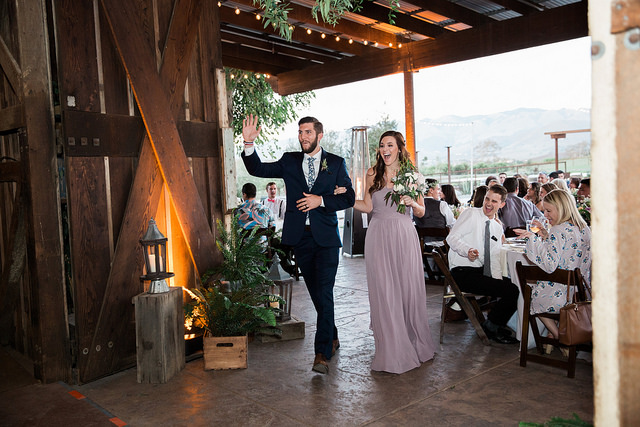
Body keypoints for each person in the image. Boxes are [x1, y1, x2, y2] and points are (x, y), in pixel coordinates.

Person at [241, 114, 355, 374]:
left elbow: (349, 197)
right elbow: (258, 169)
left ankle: (321, 353)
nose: (303, 136)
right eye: (300, 132)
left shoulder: (335, 163)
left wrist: (321, 201)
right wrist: (249, 144)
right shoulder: (289, 161)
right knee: (317, 293)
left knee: (324, 291)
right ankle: (333, 336)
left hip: (326, 239)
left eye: (308, 132)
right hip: (300, 238)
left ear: (319, 135)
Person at [352, 131, 436, 374]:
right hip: (378, 235)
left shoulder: (413, 176)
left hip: (403, 234)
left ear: (399, 148)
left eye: (389, 145)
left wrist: (413, 203)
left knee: (407, 291)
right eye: (381, 146)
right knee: (384, 291)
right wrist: (345, 199)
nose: (384, 149)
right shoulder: (372, 173)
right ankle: (391, 350)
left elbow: (421, 212)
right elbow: (367, 206)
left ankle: (414, 343)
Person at [516, 189, 591, 346]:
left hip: (561, 297)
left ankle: (559, 337)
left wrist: (533, 239)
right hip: (580, 293)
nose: (546, 215)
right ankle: (556, 335)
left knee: (533, 298)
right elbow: (567, 251)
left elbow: (550, 264)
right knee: (541, 291)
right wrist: (545, 235)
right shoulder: (584, 228)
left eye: (549, 211)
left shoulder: (558, 230)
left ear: (562, 208)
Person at [447, 185, 519, 344]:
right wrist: (467, 250)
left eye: (494, 201)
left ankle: (493, 324)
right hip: (462, 272)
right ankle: (492, 327)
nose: (488, 203)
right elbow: (451, 238)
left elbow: (493, 257)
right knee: (511, 290)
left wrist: (498, 277)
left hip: (480, 272)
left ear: (502, 205)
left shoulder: (497, 226)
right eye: (487, 198)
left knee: (513, 287)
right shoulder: (471, 214)